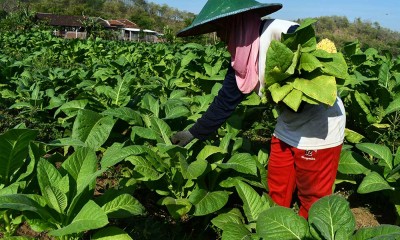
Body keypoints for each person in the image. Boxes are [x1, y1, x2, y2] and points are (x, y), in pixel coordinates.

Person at [171, 0, 346, 219]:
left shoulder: (282, 33)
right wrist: (193, 132)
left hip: (320, 126)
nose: (221, 37)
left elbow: (320, 62)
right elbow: (225, 101)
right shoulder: (242, 57)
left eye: (223, 29)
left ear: (237, 23)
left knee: (313, 199)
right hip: (288, 124)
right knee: (277, 188)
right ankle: (277, 230)